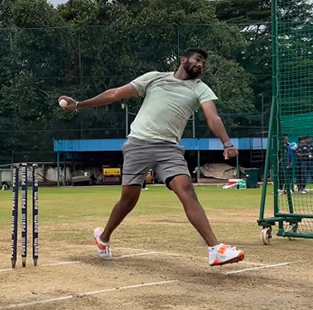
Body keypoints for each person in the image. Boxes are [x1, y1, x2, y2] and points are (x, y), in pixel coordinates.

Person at [59, 48, 245, 267]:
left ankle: (215, 249)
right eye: (197, 59)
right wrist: (79, 104)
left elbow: (213, 117)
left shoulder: (200, 89)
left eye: (203, 62)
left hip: (169, 148)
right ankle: (104, 236)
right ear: (183, 59)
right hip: (139, 143)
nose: (200, 64)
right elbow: (116, 93)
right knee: (129, 200)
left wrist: (227, 142)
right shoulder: (154, 78)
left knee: (186, 189)